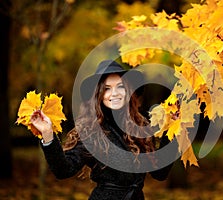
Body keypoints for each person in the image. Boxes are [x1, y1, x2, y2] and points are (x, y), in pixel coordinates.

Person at [30, 60, 175, 200]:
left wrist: (174, 131)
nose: (115, 93)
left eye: (120, 87)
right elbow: (63, 170)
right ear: (98, 95)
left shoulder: (140, 127)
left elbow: (160, 173)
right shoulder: (91, 131)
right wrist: (48, 134)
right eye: (107, 89)